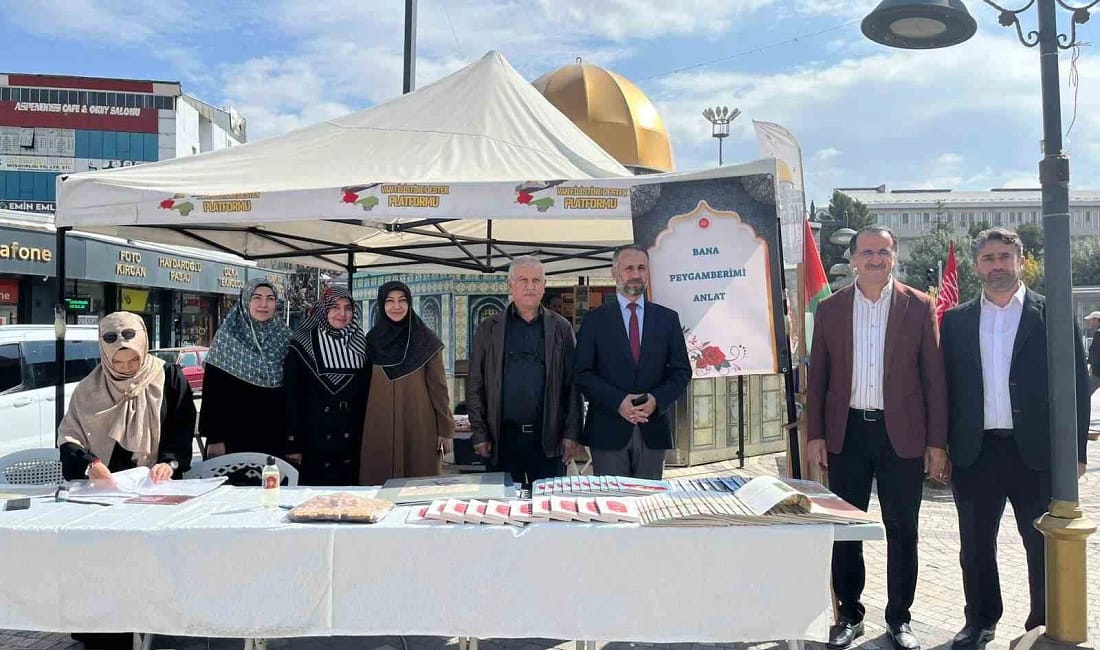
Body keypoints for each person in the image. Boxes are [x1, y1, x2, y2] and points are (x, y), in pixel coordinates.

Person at [941, 228, 1090, 648]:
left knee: (1041, 545)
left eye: (1004, 257)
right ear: (976, 267)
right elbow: (945, 387)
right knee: (974, 546)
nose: (997, 266)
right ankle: (980, 621)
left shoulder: (1053, 314)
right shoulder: (956, 321)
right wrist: (940, 444)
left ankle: (1041, 625)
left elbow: (1077, 384)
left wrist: (1075, 451)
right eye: (988, 258)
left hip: (1035, 453)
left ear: (1021, 261)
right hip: (975, 451)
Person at [806, 224, 947, 650]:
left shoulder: (919, 306)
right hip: (846, 434)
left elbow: (934, 380)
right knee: (846, 527)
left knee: (903, 530)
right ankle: (849, 613)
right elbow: (819, 378)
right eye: (867, 252)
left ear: (894, 257)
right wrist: (815, 434)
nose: (875, 259)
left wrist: (936, 442)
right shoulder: (830, 309)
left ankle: (899, 618)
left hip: (901, 436)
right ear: (853, 259)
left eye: (883, 252)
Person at [57, 312, 196, 650]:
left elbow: (181, 430)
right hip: (104, 501)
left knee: (155, 576)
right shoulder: (88, 389)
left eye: (133, 357)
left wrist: (170, 463)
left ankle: (157, 633)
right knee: (105, 581)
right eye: (119, 359)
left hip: (155, 493)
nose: (128, 365)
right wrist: (91, 466)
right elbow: (69, 442)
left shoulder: (169, 377)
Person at [573, 244, 691, 479]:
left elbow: (681, 372)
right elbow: (581, 374)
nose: (635, 275)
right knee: (613, 508)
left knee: (648, 507)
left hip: (652, 429)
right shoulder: (595, 321)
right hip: (608, 431)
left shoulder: (667, 319)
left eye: (641, 268)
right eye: (628, 268)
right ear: (614, 273)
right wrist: (618, 401)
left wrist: (657, 400)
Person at [467, 256, 582, 489]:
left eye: (536, 280)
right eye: (523, 280)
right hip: (502, 439)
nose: (530, 286)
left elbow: (573, 384)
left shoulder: (561, 328)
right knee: (502, 512)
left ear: (544, 285)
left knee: (549, 513)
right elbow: (475, 385)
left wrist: (572, 434)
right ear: (510, 285)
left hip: (548, 440)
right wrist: (479, 433)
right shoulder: (489, 329)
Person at [359, 281, 454, 485]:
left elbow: (439, 389)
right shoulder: (372, 341)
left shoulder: (426, 340)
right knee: (378, 486)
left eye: (402, 301)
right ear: (381, 305)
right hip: (379, 425)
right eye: (390, 301)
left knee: (418, 487)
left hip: (418, 424)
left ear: (410, 304)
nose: (396, 306)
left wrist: (445, 430)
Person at [284, 286, 369, 485]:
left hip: (350, 443)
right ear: (324, 310)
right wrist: (292, 442)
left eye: (348, 308)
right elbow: (291, 395)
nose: (342, 314)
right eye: (335, 307)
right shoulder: (302, 343)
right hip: (313, 442)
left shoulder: (360, 345)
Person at [200, 279, 291, 459]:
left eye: (270, 298)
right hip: (233, 440)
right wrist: (214, 438)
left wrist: (292, 440)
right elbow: (212, 393)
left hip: (275, 438)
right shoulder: (227, 338)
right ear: (245, 300)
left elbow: (293, 393)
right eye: (257, 298)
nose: (263, 304)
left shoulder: (285, 338)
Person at [1086, 310, 1100, 396]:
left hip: (1097, 372)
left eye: (1091, 320)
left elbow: (1096, 352)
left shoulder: (1098, 334)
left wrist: (1092, 366)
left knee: (1085, 393)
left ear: (1097, 320)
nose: (1089, 322)